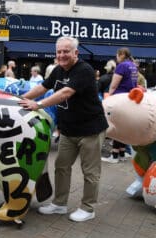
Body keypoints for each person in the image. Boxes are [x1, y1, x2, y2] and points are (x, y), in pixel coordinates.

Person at [19, 36, 108, 222]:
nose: (62, 55)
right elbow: (42, 87)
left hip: (90, 129)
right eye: (59, 51)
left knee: (90, 172)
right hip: (68, 130)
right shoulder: (58, 70)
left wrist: (38, 105)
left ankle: (88, 208)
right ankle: (59, 204)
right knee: (61, 167)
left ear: (76, 53)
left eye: (66, 51)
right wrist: (18, 100)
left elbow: (65, 92)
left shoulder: (84, 70)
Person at [102, 48, 138, 164]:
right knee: (123, 127)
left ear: (122, 55)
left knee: (117, 127)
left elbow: (114, 85)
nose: (116, 58)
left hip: (119, 98)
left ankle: (114, 155)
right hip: (129, 98)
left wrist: (110, 96)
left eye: (117, 55)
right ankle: (121, 153)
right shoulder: (133, 65)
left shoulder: (122, 66)